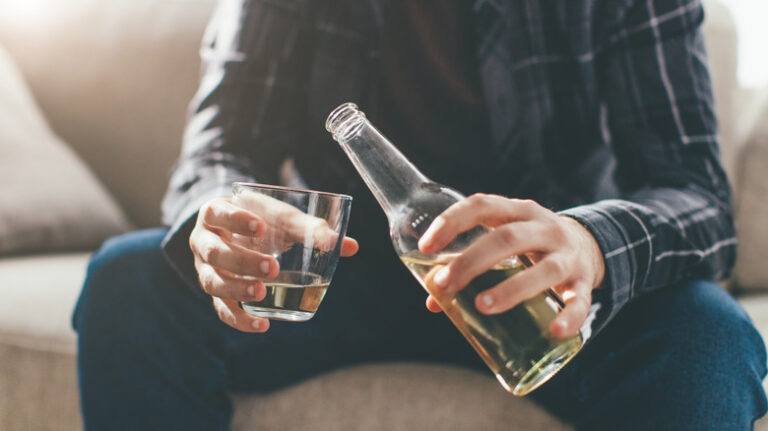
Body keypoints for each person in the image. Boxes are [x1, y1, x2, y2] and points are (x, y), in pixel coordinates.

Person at [73, 0, 768, 429]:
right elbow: (221, 148)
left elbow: (695, 191)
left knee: (707, 334)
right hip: (348, 271)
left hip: (546, 284)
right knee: (128, 282)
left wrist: (588, 241)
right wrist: (221, 214)